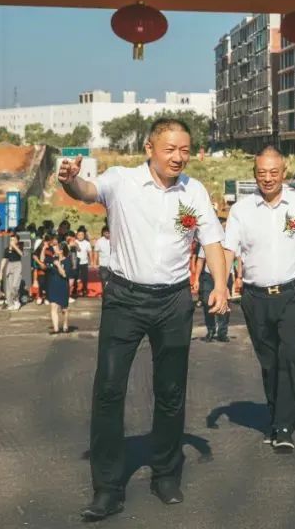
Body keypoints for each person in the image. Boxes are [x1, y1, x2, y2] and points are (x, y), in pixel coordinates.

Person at [59, 117, 229, 521]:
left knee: (170, 391)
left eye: (185, 149)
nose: (178, 157)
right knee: (108, 389)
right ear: (149, 148)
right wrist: (70, 180)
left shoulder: (194, 191)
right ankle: (107, 488)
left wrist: (221, 284)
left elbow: (212, 240)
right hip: (125, 299)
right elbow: (85, 191)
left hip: (173, 301)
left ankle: (165, 475)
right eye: (170, 149)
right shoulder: (121, 180)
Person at [224, 147, 295, 453]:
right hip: (256, 297)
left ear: (284, 173)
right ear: (254, 174)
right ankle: (276, 416)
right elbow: (228, 250)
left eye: (274, 172)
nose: (268, 178)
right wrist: (220, 284)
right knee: (269, 361)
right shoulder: (241, 210)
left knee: (289, 355)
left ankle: (284, 425)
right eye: (262, 173)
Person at [192, 241, 230, 342]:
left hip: (225, 276)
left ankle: (222, 332)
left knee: (223, 303)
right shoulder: (208, 239)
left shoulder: (231, 239)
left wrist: (239, 276)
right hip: (208, 276)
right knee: (207, 302)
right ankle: (211, 330)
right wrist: (196, 279)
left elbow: (237, 258)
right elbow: (200, 260)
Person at [47, 241, 73, 333]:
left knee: (64, 308)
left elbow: (65, 275)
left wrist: (58, 265)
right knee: (53, 306)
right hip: (53, 285)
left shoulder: (67, 261)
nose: (54, 248)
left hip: (62, 286)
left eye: (56, 247)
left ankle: (65, 324)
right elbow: (43, 260)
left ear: (61, 251)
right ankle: (56, 329)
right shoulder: (53, 259)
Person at [0, 233, 25, 310]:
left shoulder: (20, 246)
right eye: (11, 240)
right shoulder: (7, 249)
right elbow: (4, 260)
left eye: (13, 240)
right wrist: (0, 271)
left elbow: (21, 254)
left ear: (17, 240)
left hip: (17, 265)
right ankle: (10, 303)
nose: (12, 241)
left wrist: (14, 246)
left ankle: (16, 300)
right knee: (9, 286)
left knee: (14, 285)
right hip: (10, 265)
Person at [74, 228, 92, 298]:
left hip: (84, 262)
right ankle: (74, 290)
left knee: (84, 278)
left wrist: (91, 261)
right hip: (75, 263)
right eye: (79, 235)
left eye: (82, 235)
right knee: (75, 277)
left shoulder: (87, 243)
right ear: (77, 235)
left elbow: (90, 252)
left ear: (84, 235)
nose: (80, 236)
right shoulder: (74, 242)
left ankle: (84, 290)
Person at [95, 227, 113, 294]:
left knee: (112, 281)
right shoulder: (99, 241)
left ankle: (111, 294)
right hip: (103, 264)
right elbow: (96, 252)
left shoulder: (114, 240)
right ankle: (105, 293)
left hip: (113, 265)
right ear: (103, 233)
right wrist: (96, 263)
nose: (108, 234)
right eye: (106, 233)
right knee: (104, 280)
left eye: (109, 233)